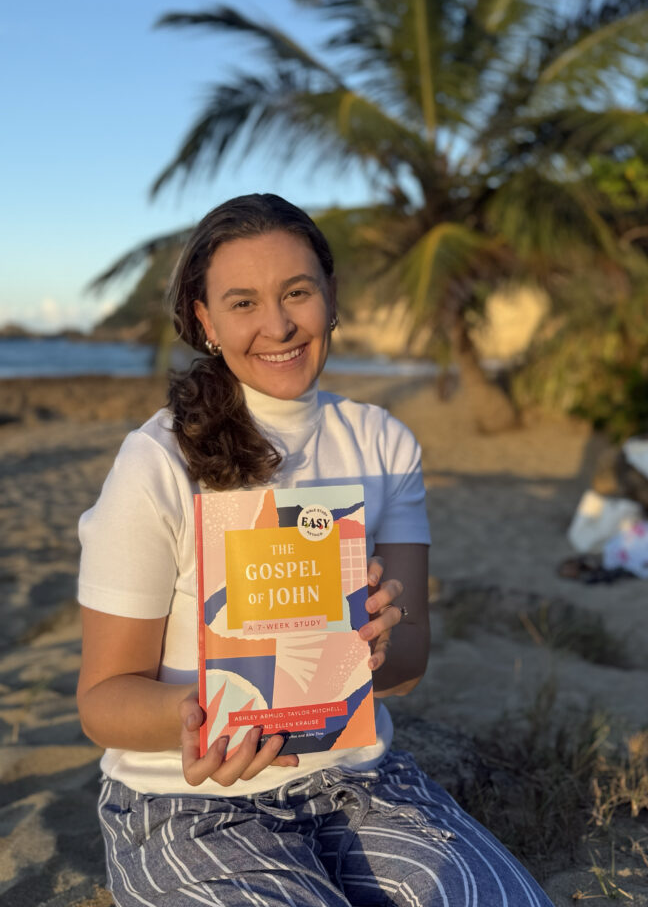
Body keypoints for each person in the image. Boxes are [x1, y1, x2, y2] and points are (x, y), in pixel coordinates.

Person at [77, 193, 555, 907]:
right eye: (242, 303)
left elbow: (408, 664)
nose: (277, 325)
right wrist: (196, 713)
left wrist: (378, 644)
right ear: (205, 321)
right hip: (188, 801)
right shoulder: (155, 462)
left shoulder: (382, 444)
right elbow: (102, 701)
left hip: (358, 782)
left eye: (297, 292)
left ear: (331, 298)